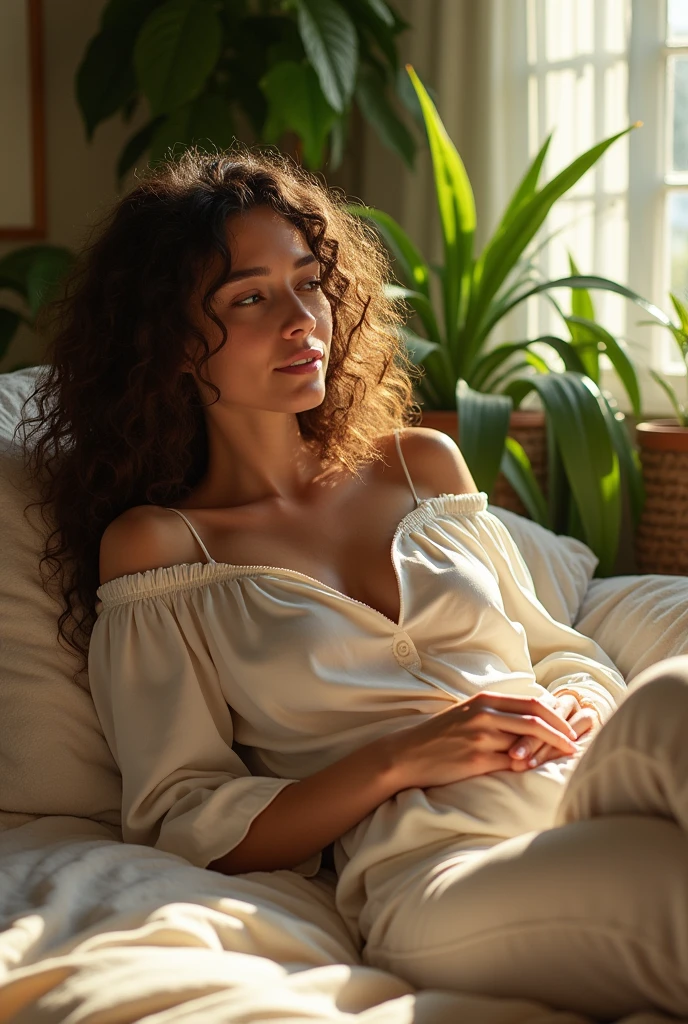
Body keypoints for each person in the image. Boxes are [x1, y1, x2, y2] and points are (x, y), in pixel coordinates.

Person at [16, 145, 688, 1019]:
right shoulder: (161, 549)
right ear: (175, 342)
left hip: (580, 777)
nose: (303, 320)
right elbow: (184, 816)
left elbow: (564, 653)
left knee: (671, 696)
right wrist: (406, 755)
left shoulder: (420, 465)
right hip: (442, 870)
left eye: (309, 281)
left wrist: (584, 702)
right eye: (249, 298)